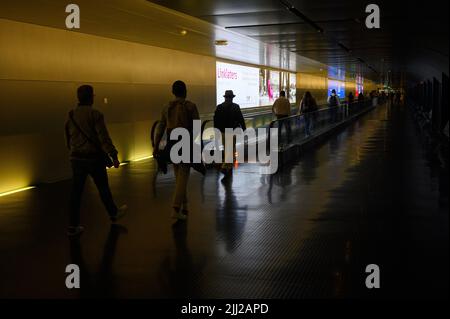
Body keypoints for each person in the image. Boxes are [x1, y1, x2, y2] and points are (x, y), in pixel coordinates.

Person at [65, 85, 127, 236]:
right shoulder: (95, 114)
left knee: (76, 193)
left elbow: (68, 136)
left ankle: (73, 225)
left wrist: (73, 151)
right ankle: (113, 213)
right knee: (103, 188)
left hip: (76, 158)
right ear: (91, 97)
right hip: (93, 158)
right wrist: (113, 155)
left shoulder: (71, 115)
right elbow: (103, 137)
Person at [153, 80, 200, 221]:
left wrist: (156, 145)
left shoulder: (166, 107)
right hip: (185, 140)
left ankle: (185, 205)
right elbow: (196, 128)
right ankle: (175, 208)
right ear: (185, 91)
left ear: (173, 92)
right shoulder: (191, 106)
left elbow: (161, 127)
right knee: (184, 175)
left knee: (179, 175)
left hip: (172, 142)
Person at [214, 90, 247, 179]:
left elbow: (216, 120)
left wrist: (216, 130)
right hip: (232, 131)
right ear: (232, 98)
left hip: (223, 131)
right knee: (231, 149)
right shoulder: (235, 107)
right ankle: (225, 167)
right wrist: (244, 129)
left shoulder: (219, 107)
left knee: (227, 149)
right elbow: (240, 118)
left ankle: (227, 167)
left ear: (225, 97)